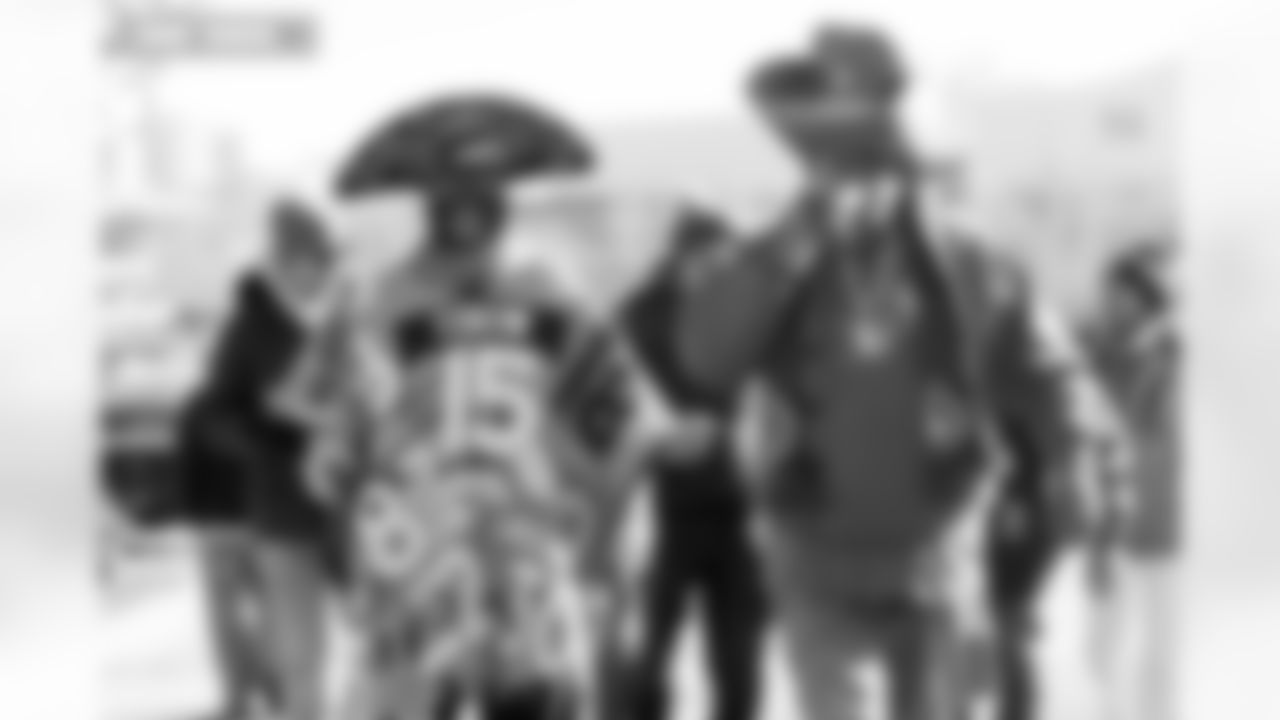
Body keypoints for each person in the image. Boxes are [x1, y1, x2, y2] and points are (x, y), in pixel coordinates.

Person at [677, 24, 1098, 720]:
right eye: (831, 156)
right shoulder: (772, 258)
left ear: (902, 161)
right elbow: (707, 357)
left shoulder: (973, 261)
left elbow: (1050, 369)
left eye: (863, 154)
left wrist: (1073, 457)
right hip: (814, 562)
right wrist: (796, 236)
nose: (848, 177)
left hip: (939, 562)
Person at [282, 179, 641, 720]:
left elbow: (319, 459)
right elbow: (617, 429)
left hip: (459, 574)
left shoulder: (376, 300)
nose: (468, 224)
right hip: (472, 574)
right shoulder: (549, 294)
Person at [179, 197, 339, 720]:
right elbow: (214, 415)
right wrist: (278, 437)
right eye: (314, 264)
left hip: (343, 508)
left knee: (352, 648)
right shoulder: (248, 330)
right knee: (301, 656)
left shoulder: (329, 322)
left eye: (327, 264)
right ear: (287, 263)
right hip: (281, 510)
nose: (322, 276)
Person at [619, 205, 767, 720]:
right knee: (646, 665)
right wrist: (661, 434)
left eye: (727, 264)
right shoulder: (639, 316)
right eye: (708, 261)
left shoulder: (749, 314)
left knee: (739, 671)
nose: (718, 274)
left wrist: (731, 431)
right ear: (681, 256)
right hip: (661, 513)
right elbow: (612, 399)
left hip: (738, 513)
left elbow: (776, 398)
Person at [1083, 242, 1179, 720]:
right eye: (1109, 296)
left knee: (1163, 646)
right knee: (1102, 645)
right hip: (1111, 521)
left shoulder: (1176, 356)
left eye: (1123, 296)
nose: (1113, 306)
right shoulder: (1097, 355)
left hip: (1167, 525)